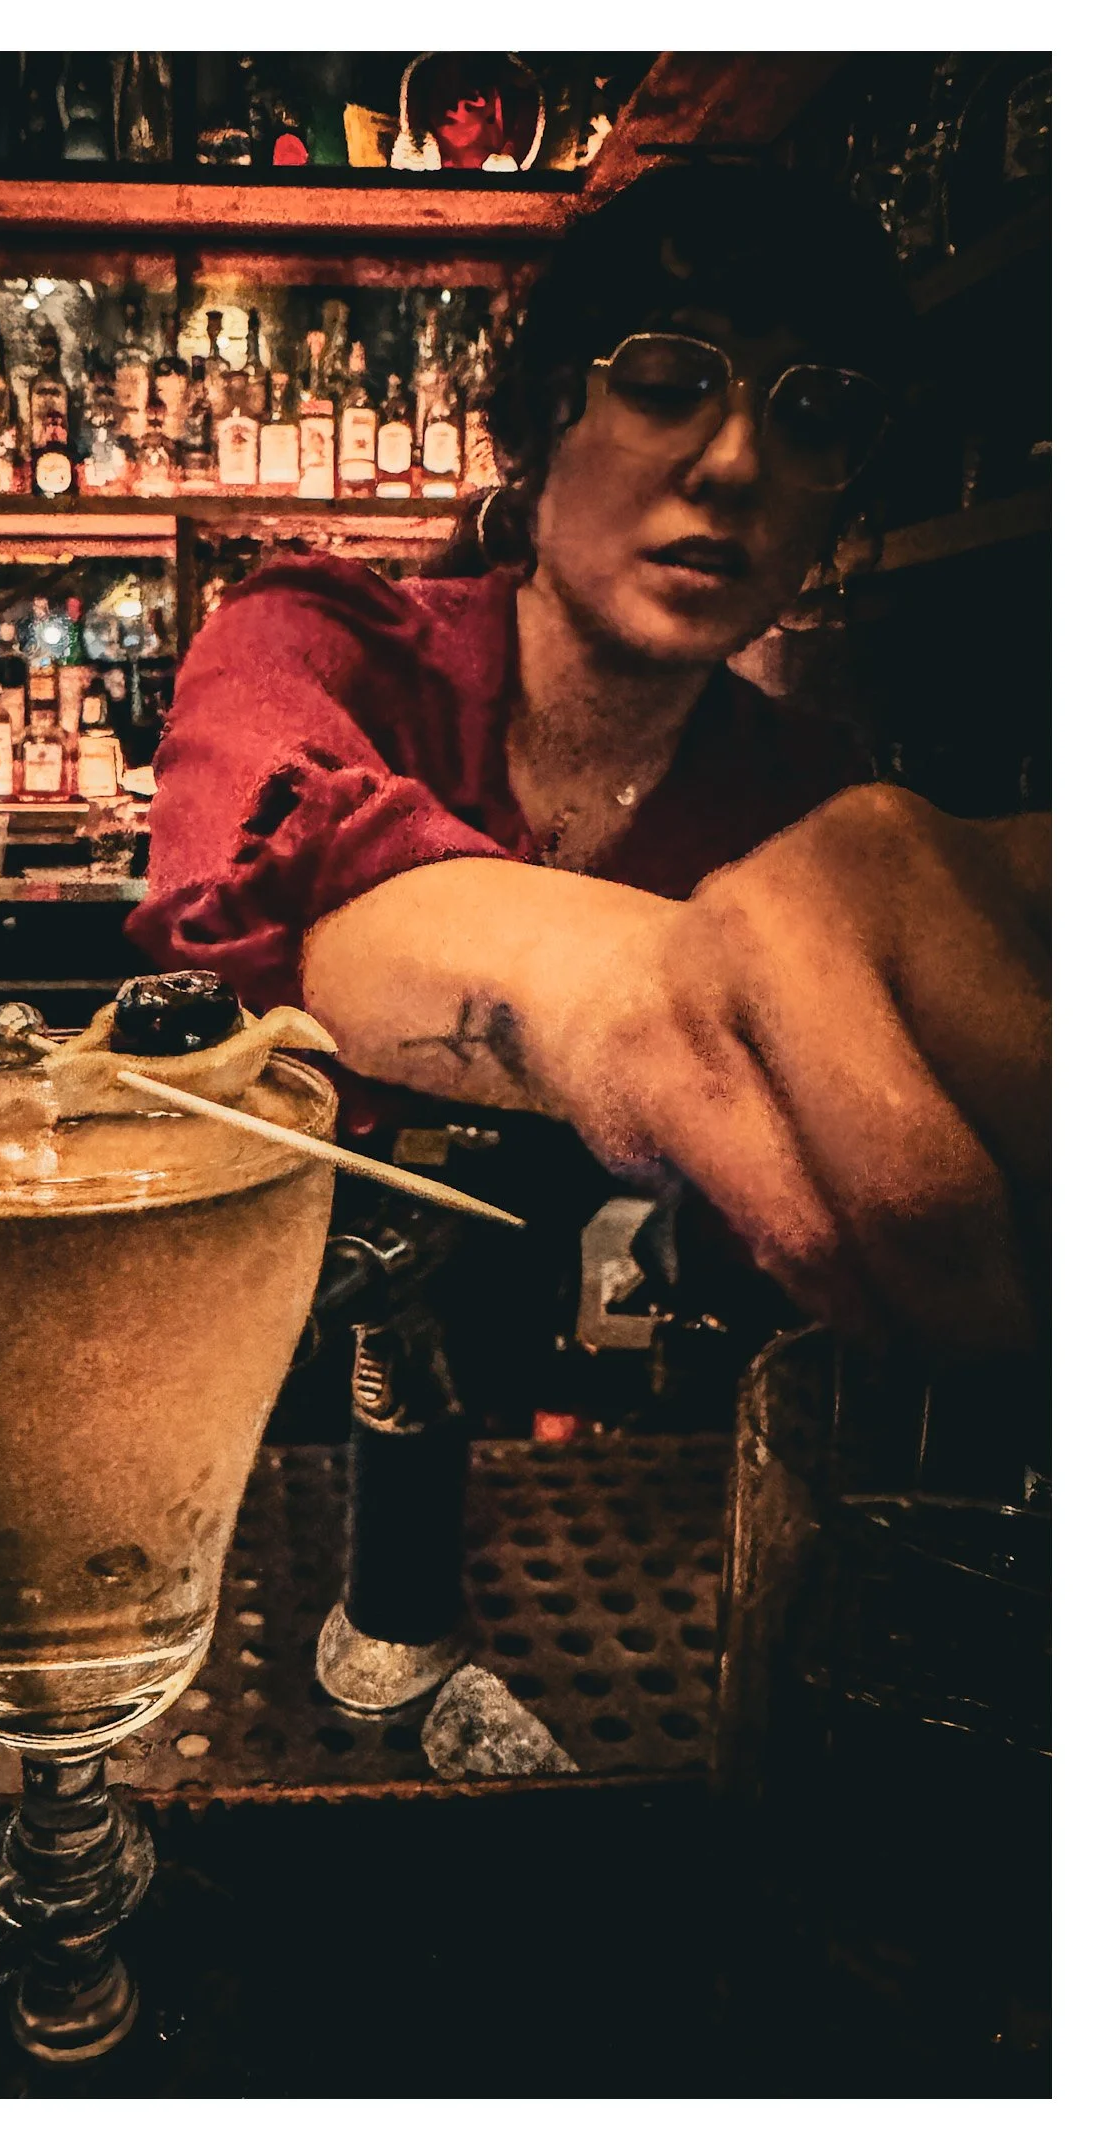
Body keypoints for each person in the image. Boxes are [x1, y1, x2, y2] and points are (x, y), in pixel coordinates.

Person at [130, 162, 1049, 1366]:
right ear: (538, 419)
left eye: (812, 416)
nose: (736, 463)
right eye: (669, 383)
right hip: (236, 1380)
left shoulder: (803, 789)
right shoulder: (317, 636)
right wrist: (669, 984)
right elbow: (231, 909)